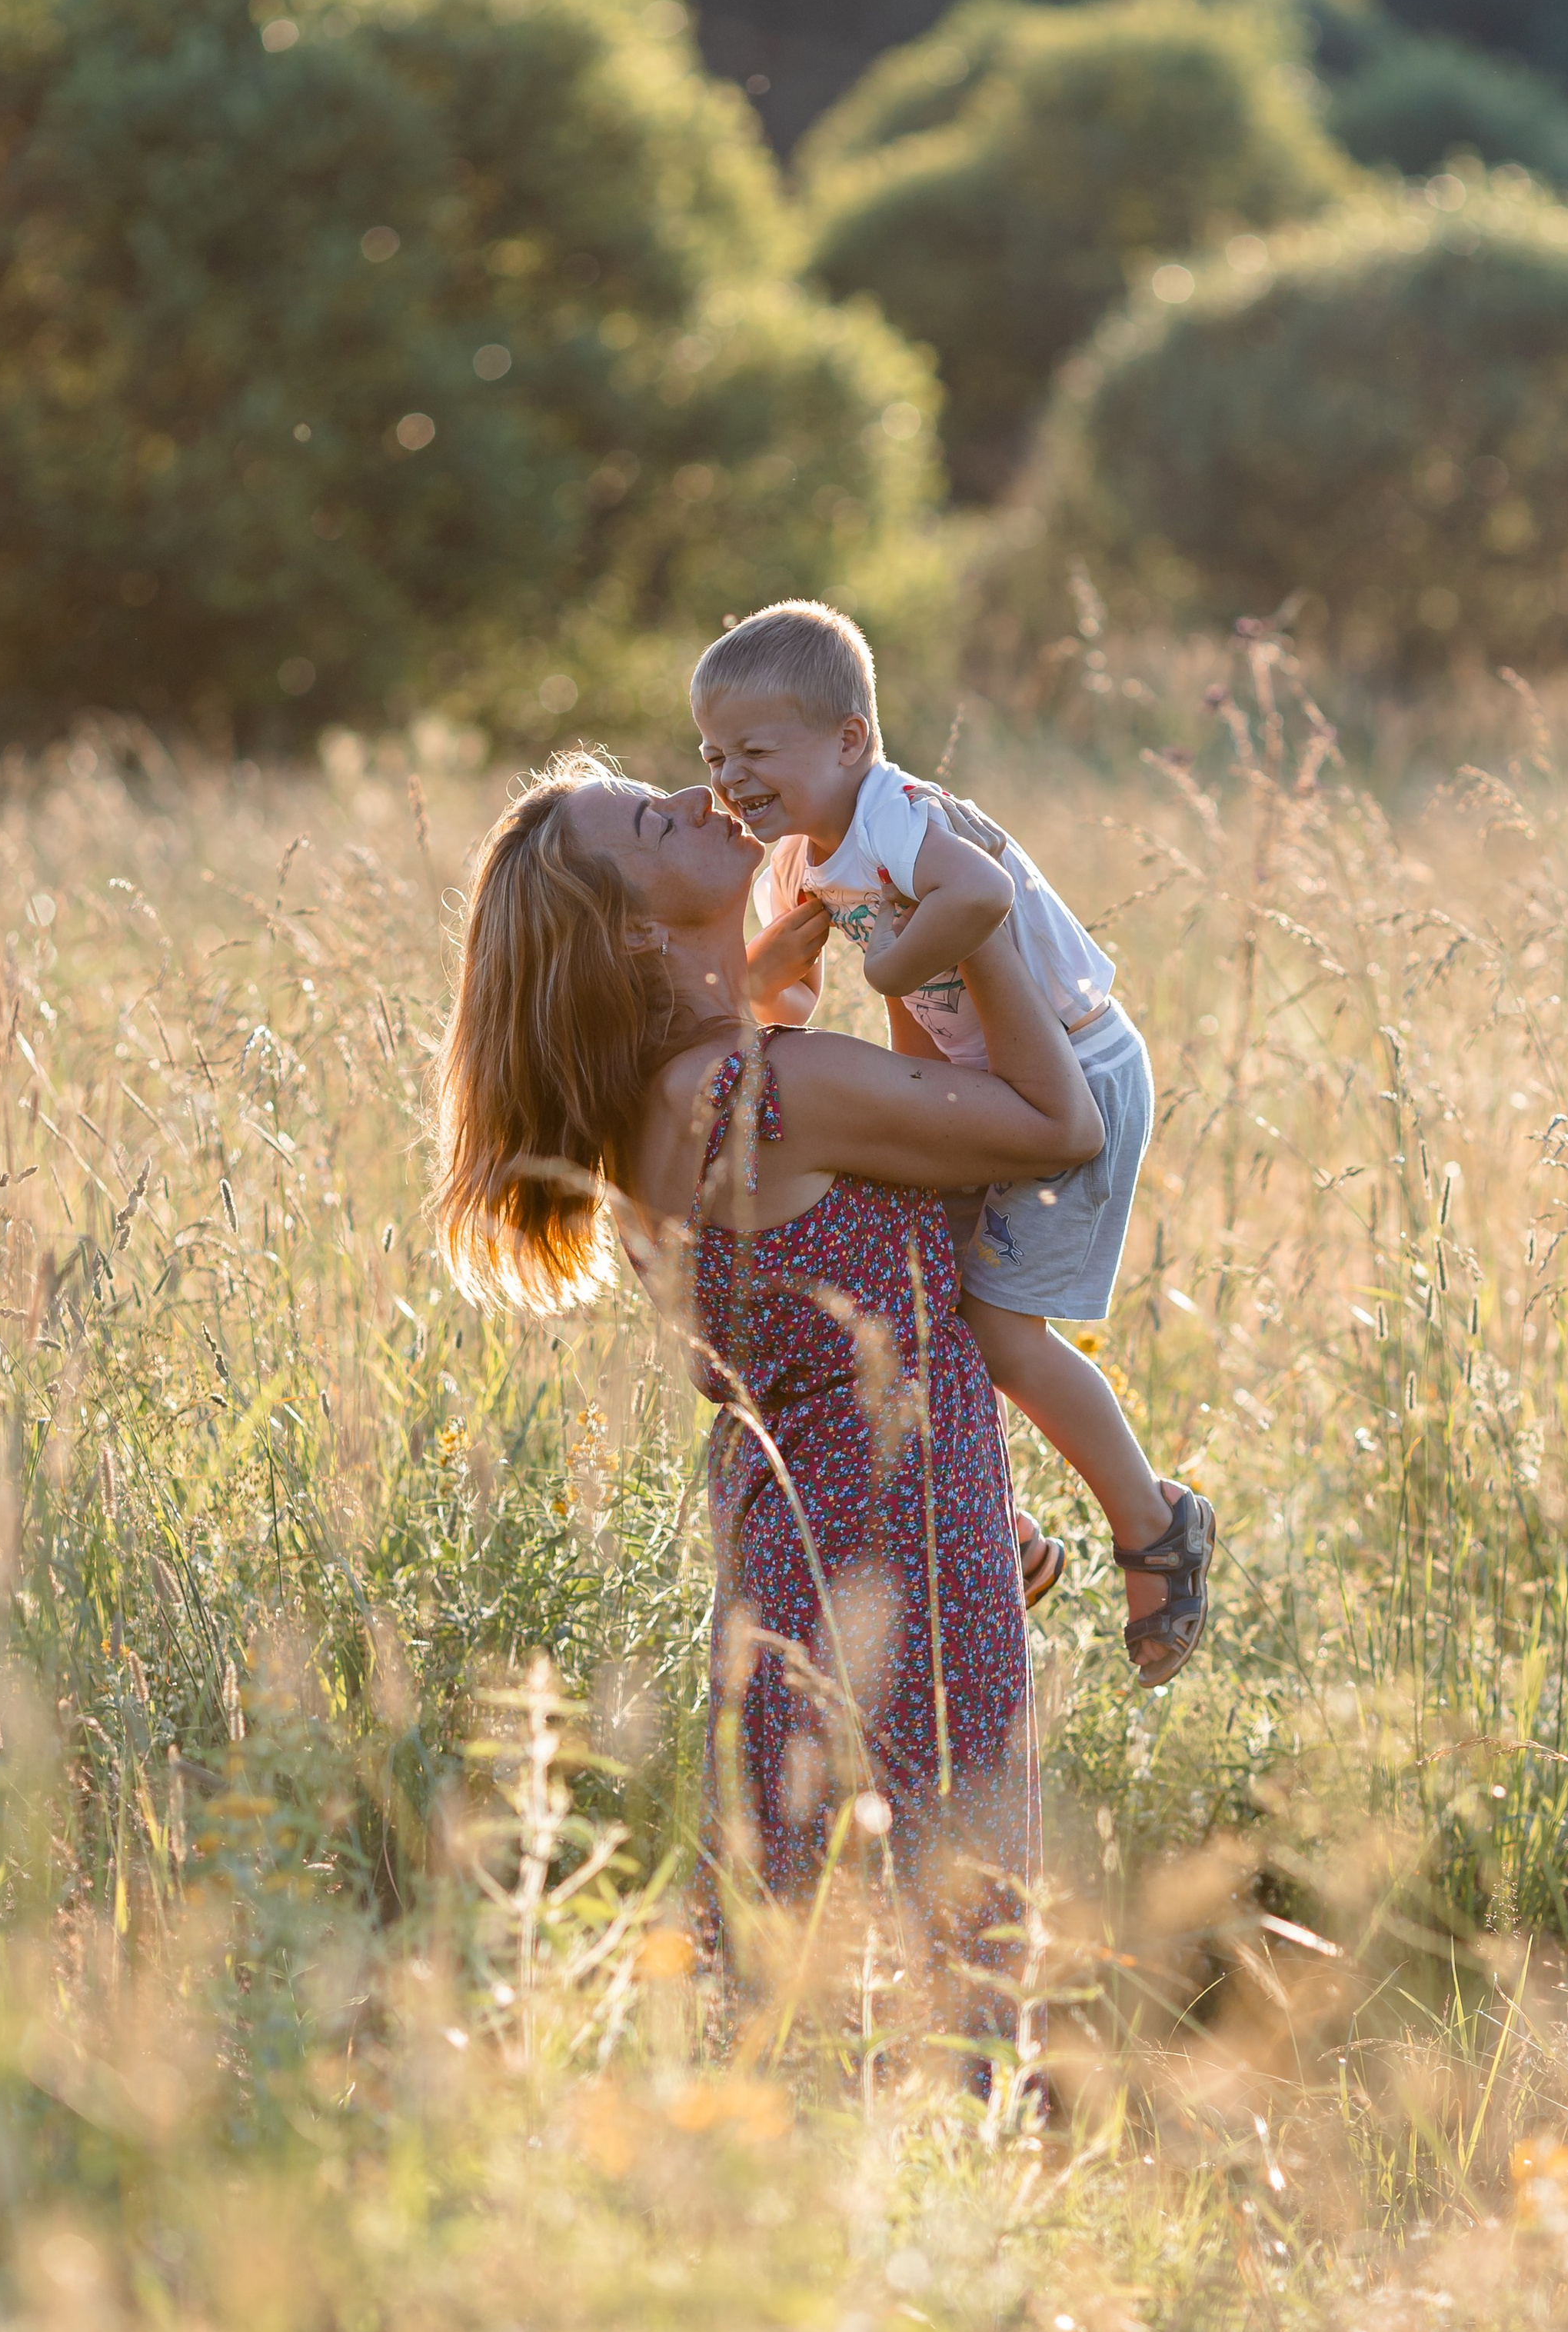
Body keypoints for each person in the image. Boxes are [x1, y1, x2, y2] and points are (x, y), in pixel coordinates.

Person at [431, 751, 1103, 2054]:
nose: (691, 795)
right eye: (645, 819)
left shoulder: (654, 1108)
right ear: (631, 926)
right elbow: (1056, 1125)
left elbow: (811, 1339)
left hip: (824, 1564)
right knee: (953, 1982)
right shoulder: (766, 1091)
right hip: (890, 1568)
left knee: (813, 1987)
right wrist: (972, 915)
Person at [691, 598, 1216, 1688]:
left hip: (1078, 1064)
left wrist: (884, 972)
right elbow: (779, 997)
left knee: (998, 1326)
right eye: (711, 752)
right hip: (980, 1083)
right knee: (929, 1307)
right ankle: (1007, 1528)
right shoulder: (805, 854)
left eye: (753, 749)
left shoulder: (894, 815)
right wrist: (759, 983)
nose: (729, 774)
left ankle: (1154, 1521)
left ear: (849, 740)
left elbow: (976, 892)